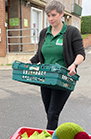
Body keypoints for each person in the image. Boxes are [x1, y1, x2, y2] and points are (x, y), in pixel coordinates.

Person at [29, 0, 85, 130]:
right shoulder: (44, 33)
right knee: (49, 112)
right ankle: (54, 136)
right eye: (48, 15)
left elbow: (81, 53)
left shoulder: (71, 32)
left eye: (53, 15)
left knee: (53, 113)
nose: (50, 18)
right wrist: (29, 62)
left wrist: (74, 65)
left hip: (63, 79)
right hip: (45, 78)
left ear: (61, 14)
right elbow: (39, 55)